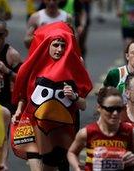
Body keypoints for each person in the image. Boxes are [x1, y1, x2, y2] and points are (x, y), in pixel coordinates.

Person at [11, 22, 92, 171]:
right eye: (56, 45)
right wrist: (18, 110)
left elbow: (83, 104)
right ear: (47, 43)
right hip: (34, 125)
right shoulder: (35, 63)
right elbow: (25, 94)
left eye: (63, 44)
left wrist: (74, 97)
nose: (59, 49)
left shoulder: (75, 63)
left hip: (61, 129)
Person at [67, 87, 134, 171]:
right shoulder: (87, 132)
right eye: (110, 109)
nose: (115, 113)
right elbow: (72, 153)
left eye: (118, 109)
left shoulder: (130, 132)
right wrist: (77, 167)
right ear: (99, 108)